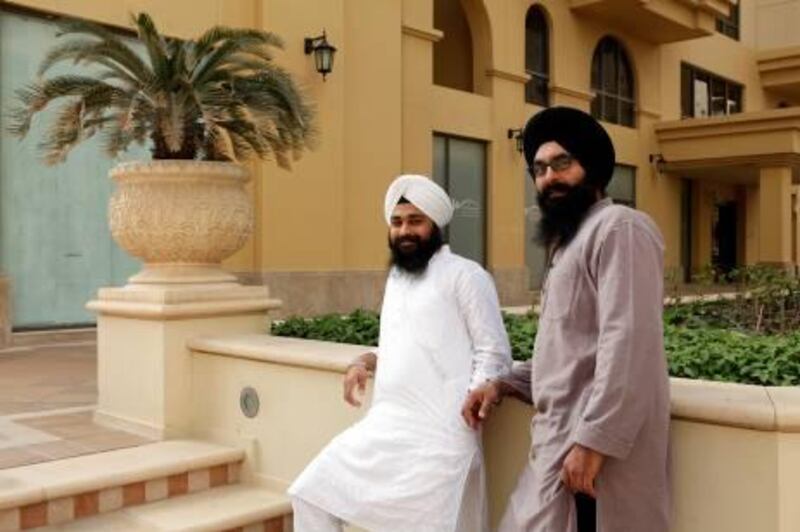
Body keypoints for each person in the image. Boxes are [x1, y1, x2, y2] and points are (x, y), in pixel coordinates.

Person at [463, 107, 671, 531]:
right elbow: (567, 352)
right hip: (555, 445)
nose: (549, 178)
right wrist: (503, 384)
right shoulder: (568, 244)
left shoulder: (619, 228)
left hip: (594, 460)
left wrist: (595, 441)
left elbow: (628, 341)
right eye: (539, 169)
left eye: (562, 164)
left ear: (591, 168)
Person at [289, 174, 512, 532]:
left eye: (415, 221)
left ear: (435, 224)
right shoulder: (397, 280)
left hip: (442, 436)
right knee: (309, 494)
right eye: (397, 222)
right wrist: (362, 362)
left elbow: (494, 351)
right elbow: (395, 345)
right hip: (385, 427)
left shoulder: (466, 276)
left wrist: (480, 391)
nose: (404, 231)